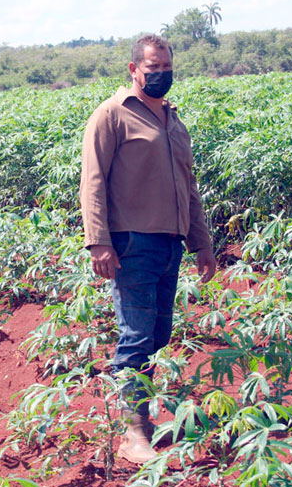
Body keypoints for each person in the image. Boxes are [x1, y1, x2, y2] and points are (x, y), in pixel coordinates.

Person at [80, 34, 216, 464]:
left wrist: (202, 243)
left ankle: (142, 418)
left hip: (170, 243)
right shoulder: (112, 114)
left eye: (166, 67)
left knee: (158, 334)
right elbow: (94, 179)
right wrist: (98, 240)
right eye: (152, 67)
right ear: (134, 69)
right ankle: (132, 433)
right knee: (136, 337)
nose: (161, 74)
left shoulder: (174, 121)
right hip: (131, 241)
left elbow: (188, 187)